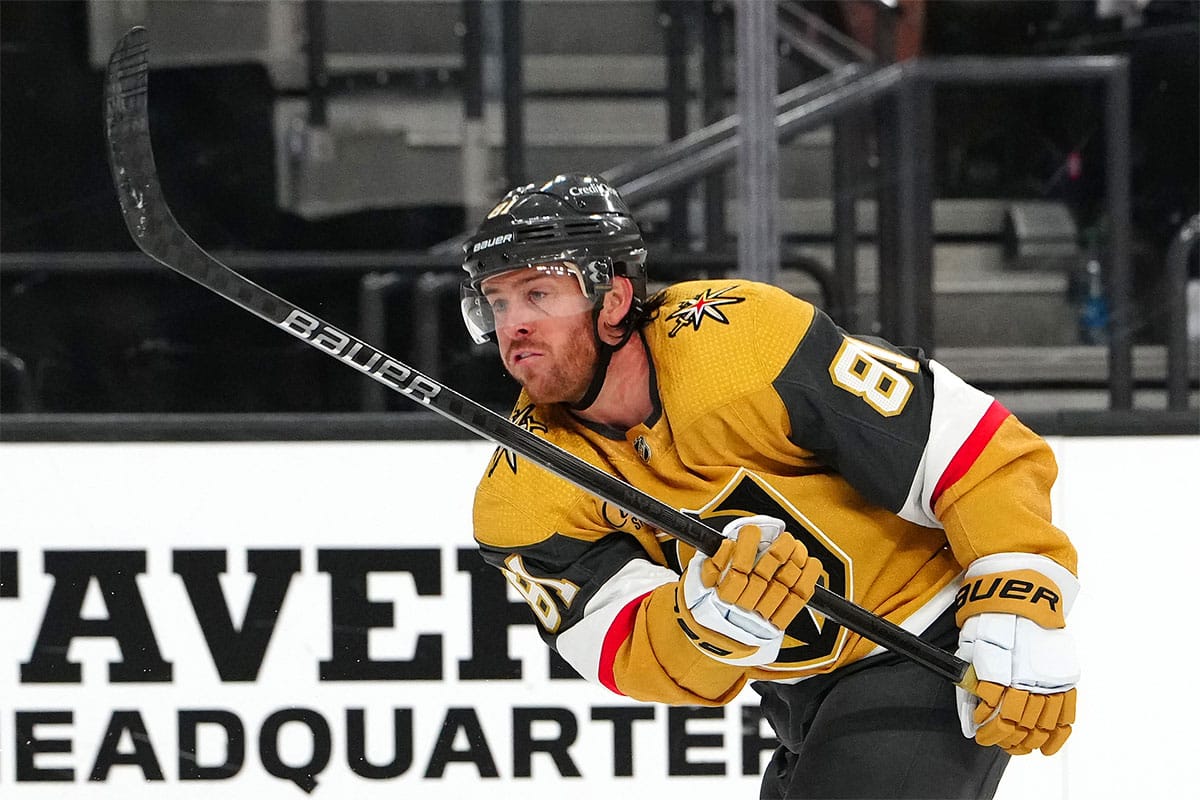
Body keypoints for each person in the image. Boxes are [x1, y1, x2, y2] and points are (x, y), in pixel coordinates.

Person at [459, 173, 1079, 799]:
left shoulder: (737, 341)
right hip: (802, 703)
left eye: (538, 294)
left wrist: (1017, 594)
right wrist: (700, 623)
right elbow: (621, 646)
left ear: (614, 299)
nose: (514, 326)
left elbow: (971, 448)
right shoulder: (521, 493)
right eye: (499, 302)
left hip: (926, 646)